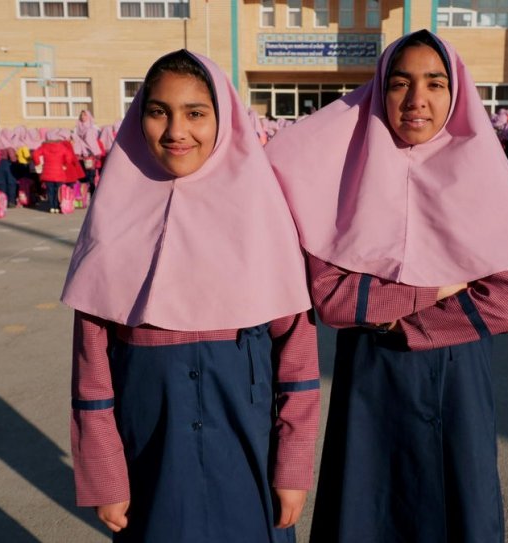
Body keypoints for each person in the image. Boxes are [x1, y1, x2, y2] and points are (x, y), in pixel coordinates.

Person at [266, 30, 508, 543]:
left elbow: (505, 305)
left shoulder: (481, 175)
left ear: (456, 93)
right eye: (400, 82)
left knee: (456, 505)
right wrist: (440, 288)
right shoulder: (344, 173)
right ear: (380, 90)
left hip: (458, 379)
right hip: (371, 379)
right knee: (368, 508)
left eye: (435, 83)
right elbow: (334, 300)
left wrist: (392, 319)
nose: (417, 99)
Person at [61, 49, 318, 542]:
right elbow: (91, 371)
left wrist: (292, 468)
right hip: (152, 448)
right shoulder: (114, 214)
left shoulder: (264, 214)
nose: (176, 130)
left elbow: (299, 360)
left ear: (224, 120)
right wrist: (106, 477)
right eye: (158, 111)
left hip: (247, 447)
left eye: (195, 113)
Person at [31, 129, 81, 213]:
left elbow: (35, 154)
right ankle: (57, 206)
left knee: (50, 190)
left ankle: (51, 207)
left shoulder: (44, 146)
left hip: (47, 172)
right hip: (59, 173)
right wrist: (65, 164)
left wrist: (38, 163)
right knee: (58, 190)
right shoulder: (62, 146)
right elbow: (69, 157)